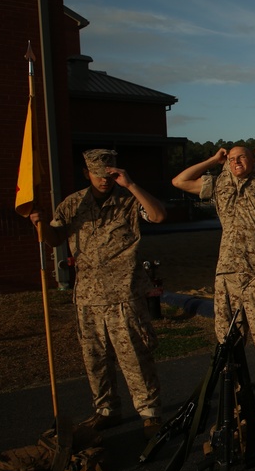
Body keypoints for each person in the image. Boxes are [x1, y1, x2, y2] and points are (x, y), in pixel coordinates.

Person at [30, 149, 165, 437]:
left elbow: (158, 215)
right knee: (95, 358)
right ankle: (106, 410)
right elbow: (55, 240)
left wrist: (130, 185)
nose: (104, 180)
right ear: (86, 173)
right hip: (88, 296)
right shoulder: (72, 204)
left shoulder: (128, 200)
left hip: (123, 294)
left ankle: (150, 412)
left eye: (109, 174)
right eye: (98, 174)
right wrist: (39, 224)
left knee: (134, 357)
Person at [172, 144, 255, 406]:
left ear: (253, 159)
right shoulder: (218, 184)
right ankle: (236, 394)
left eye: (241, 157)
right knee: (228, 340)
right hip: (226, 275)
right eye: (232, 159)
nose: (236, 162)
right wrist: (214, 159)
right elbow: (179, 180)